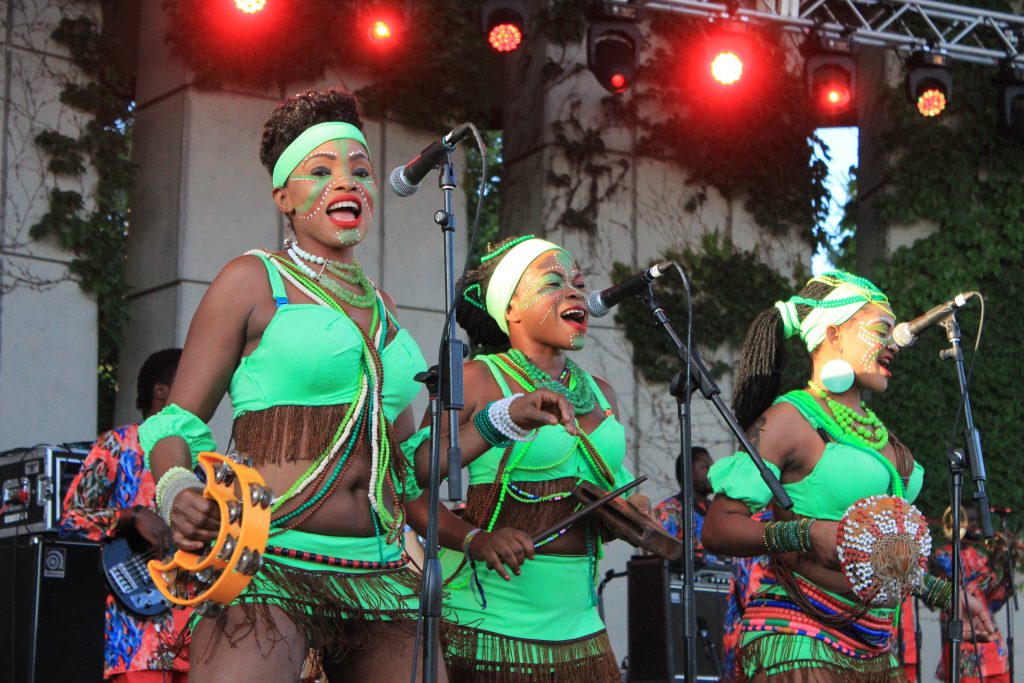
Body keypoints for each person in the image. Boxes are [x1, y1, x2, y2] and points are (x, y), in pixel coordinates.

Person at [138, 87, 436, 682]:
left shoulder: (386, 310)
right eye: (319, 171)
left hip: (379, 568)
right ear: (283, 197)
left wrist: (494, 419)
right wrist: (175, 489)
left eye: (360, 171)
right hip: (268, 557)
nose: (345, 183)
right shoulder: (253, 280)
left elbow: (406, 462)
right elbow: (174, 421)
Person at [700, 270, 996, 682]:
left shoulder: (878, 433)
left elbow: (872, 554)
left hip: (875, 650)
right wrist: (805, 533)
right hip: (800, 643)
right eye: (881, 329)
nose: (894, 343)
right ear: (834, 334)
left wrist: (946, 595)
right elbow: (717, 528)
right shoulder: (790, 419)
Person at [404, 235, 651, 682]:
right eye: (554, 283)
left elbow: (613, 485)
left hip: (582, 626)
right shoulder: (476, 380)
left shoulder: (600, 391)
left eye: (578, 282)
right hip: (489, 622)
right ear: (511, 308)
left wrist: (630, 511)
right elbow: (410, 486)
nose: (576, 292)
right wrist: (476, 538)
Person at [61, 348, 190, 682]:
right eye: (189, 377)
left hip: (191, 632)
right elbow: (71, 518)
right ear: (161, 390)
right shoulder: (118, 444)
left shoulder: (203, 457)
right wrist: (132, 515)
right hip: (137, 634)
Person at [932, 507, 1012, 683]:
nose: (976, 525)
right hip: (964, 646)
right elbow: (962, 592)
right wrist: (991, 565)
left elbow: (991, 604)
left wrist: (1007, 580)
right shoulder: (943, 556)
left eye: (977, 521)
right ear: (957, 522)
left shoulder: (979, 556)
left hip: (993, 648)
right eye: (971, 521)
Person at [654, 446, 723, 565]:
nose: (712, 471)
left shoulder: (719, 510)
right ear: (687, 472)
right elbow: (657, 556)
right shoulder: (668, 511)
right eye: (705, 467)